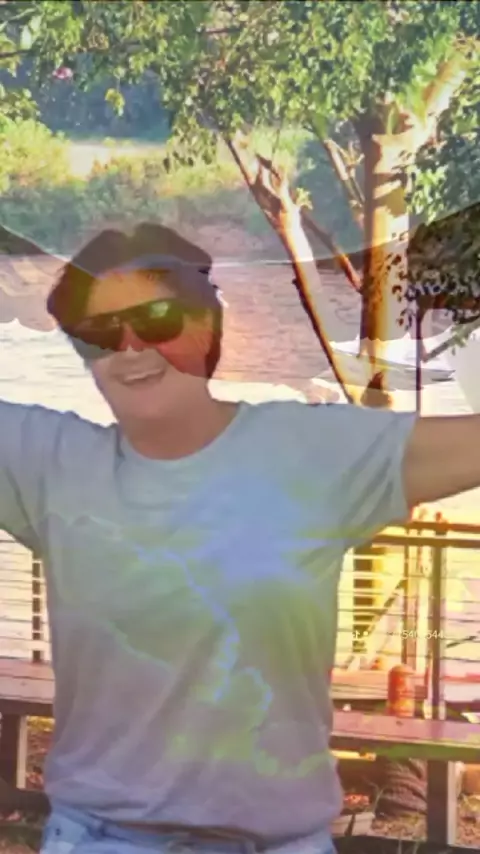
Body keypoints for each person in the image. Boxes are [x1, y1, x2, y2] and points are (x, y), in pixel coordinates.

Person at [0, 221, 477, 854]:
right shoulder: (48, 464)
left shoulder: (309, 451)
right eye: (100, 332)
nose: (131, 346)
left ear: (207, 326)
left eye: (159, 318)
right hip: (100, 839)